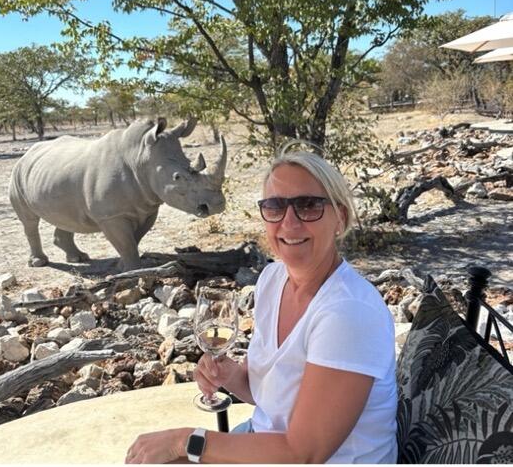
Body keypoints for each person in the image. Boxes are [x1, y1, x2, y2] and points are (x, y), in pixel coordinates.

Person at [126, 149, 397, 464]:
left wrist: (184, 441)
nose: (289, 223)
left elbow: (303, 453)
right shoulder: (273, 279)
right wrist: (230, 375)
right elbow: (268, 398)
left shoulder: (349, 313)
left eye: (308, 205)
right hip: (267, 441)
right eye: (275, 206)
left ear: (341, 218)